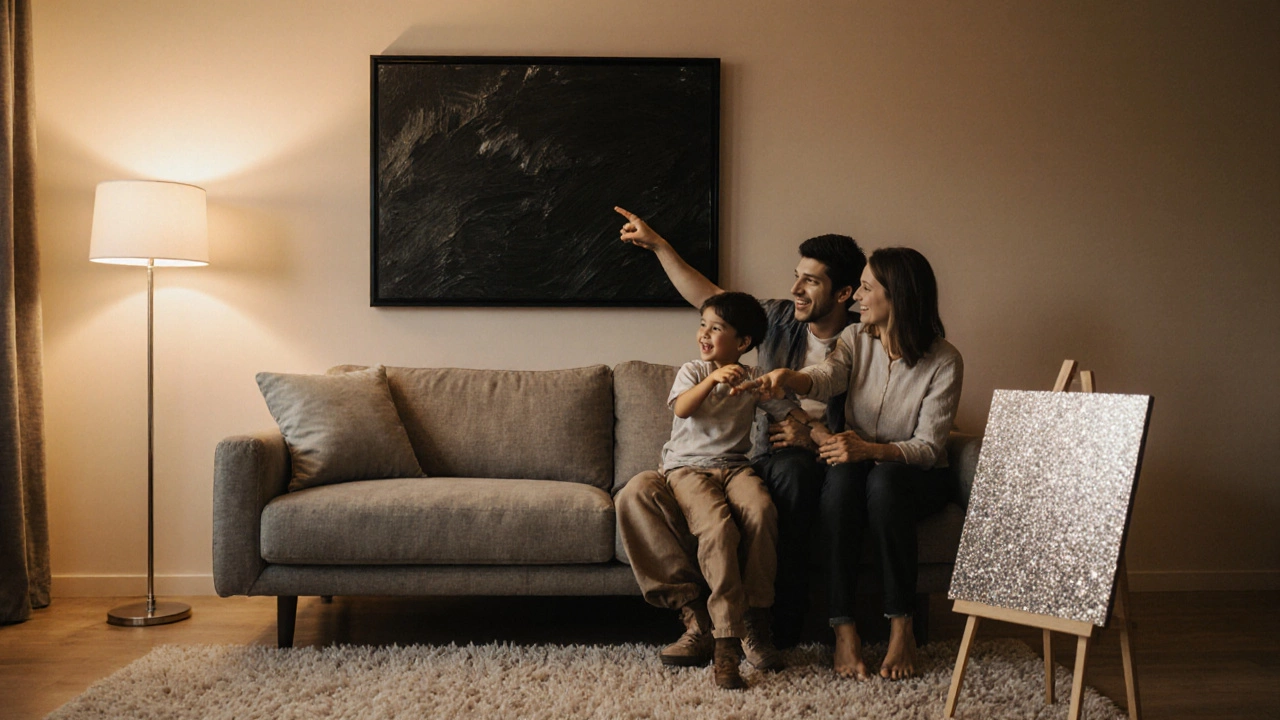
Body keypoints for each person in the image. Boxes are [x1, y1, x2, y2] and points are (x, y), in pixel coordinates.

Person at [613, 206, 866, 649]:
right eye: (796, 276)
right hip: (764, 451)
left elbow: (864, 409)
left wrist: (811, 436)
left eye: (810, 281)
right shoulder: (777, 321)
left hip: (818, 450)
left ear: (844, 293)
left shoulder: (864, 341)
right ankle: (700, 617)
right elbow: (710, 298)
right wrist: (658, 245)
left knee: (783, 484)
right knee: (638, 493)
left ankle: (767, 619)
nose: (795, 289)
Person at [734, 247, 962, 680]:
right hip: (860, 464)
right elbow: (826, 378)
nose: (857, 295)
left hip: (916, 475)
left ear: (896, 297)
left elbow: (929, 447)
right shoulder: (856, 339)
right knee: (839, 487)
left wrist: (869, 451)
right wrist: (790, 377)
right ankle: (844, 630)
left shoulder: (945, 360)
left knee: (885, 485)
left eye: (867, 288)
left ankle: (901, 627)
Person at [622, 291, 805, 690]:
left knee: (760, 510)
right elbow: (683, 408)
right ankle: (724, 642)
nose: (704, 333)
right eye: (702, 324)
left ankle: (757, 621)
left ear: (742, 344)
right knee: (718, 529)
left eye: (715, 328)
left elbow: (786, 410)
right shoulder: (693, 370)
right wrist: (712, 378)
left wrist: (808, 429)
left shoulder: (753, 377)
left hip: (735, 468)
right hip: (688, 470)